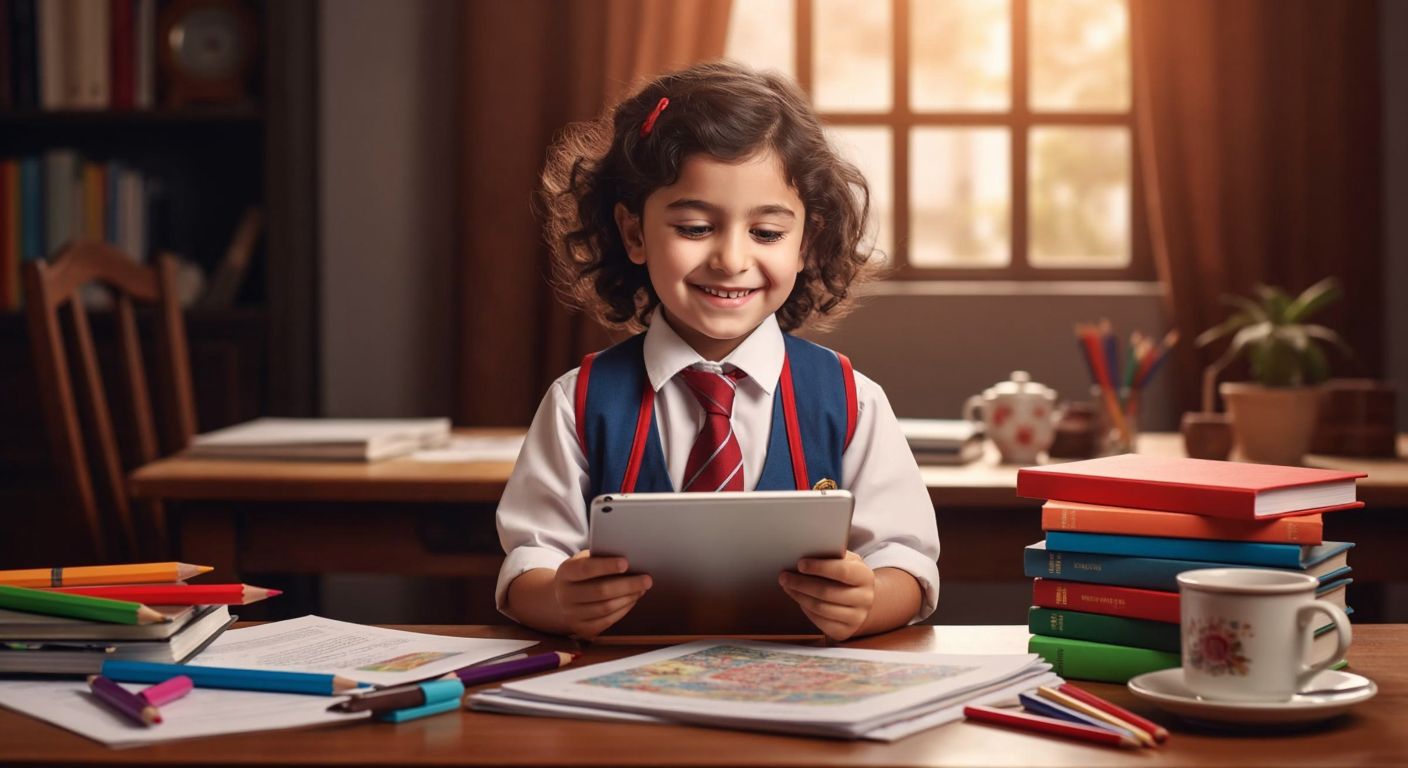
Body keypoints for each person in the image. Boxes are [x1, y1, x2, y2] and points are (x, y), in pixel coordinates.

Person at [496, 60, 939, 641]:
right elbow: (528, 562)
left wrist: (869, 600)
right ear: (633, 234)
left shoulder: (852, 400)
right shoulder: (576, 403)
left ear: (807, 241)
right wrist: (559, 598)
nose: (731, 259)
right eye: (695, 228)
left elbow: (906, 562)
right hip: (623, 697)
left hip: (803, 694)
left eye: (767, 233)